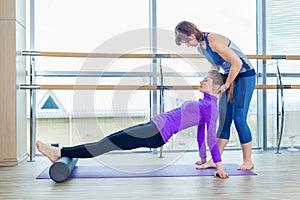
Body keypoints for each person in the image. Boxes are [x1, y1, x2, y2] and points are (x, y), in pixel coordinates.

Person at [36, 70, 229, 179]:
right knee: (107, 141)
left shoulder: (211, 108)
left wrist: (218, 165)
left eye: (206, 80)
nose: (201, 81)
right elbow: (200, 132)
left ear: (217, 87)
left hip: (156, 134)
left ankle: (59, 152)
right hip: (153, 127)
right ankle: (61, 152)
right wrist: (203, 160)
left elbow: (210, 136)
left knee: (104, 145)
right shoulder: (205, 103)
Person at [175, 21, 256, 170]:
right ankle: (215, 160)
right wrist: (211, 81)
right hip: (228, 76)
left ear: (192, 35)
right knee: (224, 120)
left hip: (245, 76)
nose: (187, 46)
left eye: (186, 42)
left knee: (239, 118)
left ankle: (248, 160)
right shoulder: (202, 48)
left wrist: (226, 85)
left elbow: (237, 63)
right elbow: (215, 66)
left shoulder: (214, 41)